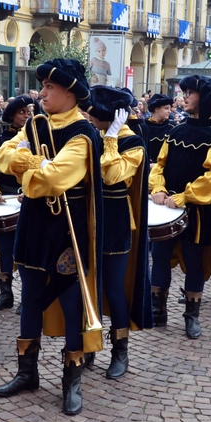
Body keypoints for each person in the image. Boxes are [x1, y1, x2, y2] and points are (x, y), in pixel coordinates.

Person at [0, 58, 103, 416]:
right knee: (30, 299)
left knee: (71, 304)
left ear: (70, 93)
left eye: (49, 87)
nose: (42, 93)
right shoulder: (35, 124)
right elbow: (2, 156)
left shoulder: (83, 134)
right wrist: (33, 165)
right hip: (34, 225)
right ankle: (27, 373)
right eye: (43, 86)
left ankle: (72, 380)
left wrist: (28, 167)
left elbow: (54, 179)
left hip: (67, 231)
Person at [148, 75, 211, 339]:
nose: (184, 96)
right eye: (184, 92)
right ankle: (158, 310)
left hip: (198, 212)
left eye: (190, 93)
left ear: (205, 97)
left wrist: (184, 197)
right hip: (168, 209)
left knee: (194, 260)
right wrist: (158, 188)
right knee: (160, 257)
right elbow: (160, 165)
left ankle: (191, 315)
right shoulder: (176, 131)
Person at [85, 86, 151, 379]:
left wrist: (111, 138)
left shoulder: (133, 142)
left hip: (115, 222)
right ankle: (87, 344)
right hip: (88, 218)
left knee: (113, 288)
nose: (89, 116)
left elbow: (111, 175)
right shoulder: (91, 135)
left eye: (93, 112)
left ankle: (120, 350)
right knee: (88, 286)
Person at [0, 96, 35, 313]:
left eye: (28, 112)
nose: (26, 116)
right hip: (5, 200)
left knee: (27, 249)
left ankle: (28, 297)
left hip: (29, 199)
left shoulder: (38, 138)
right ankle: (5, 294)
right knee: (4, 249)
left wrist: (30, 190)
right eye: (21, 112)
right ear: (12, 115)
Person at [143, 94, 175, 165]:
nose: (169, 111)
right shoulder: (143, 126)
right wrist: (148, 165)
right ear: (156, 109)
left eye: (170, 109)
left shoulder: (172, 127)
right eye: (166, 108)